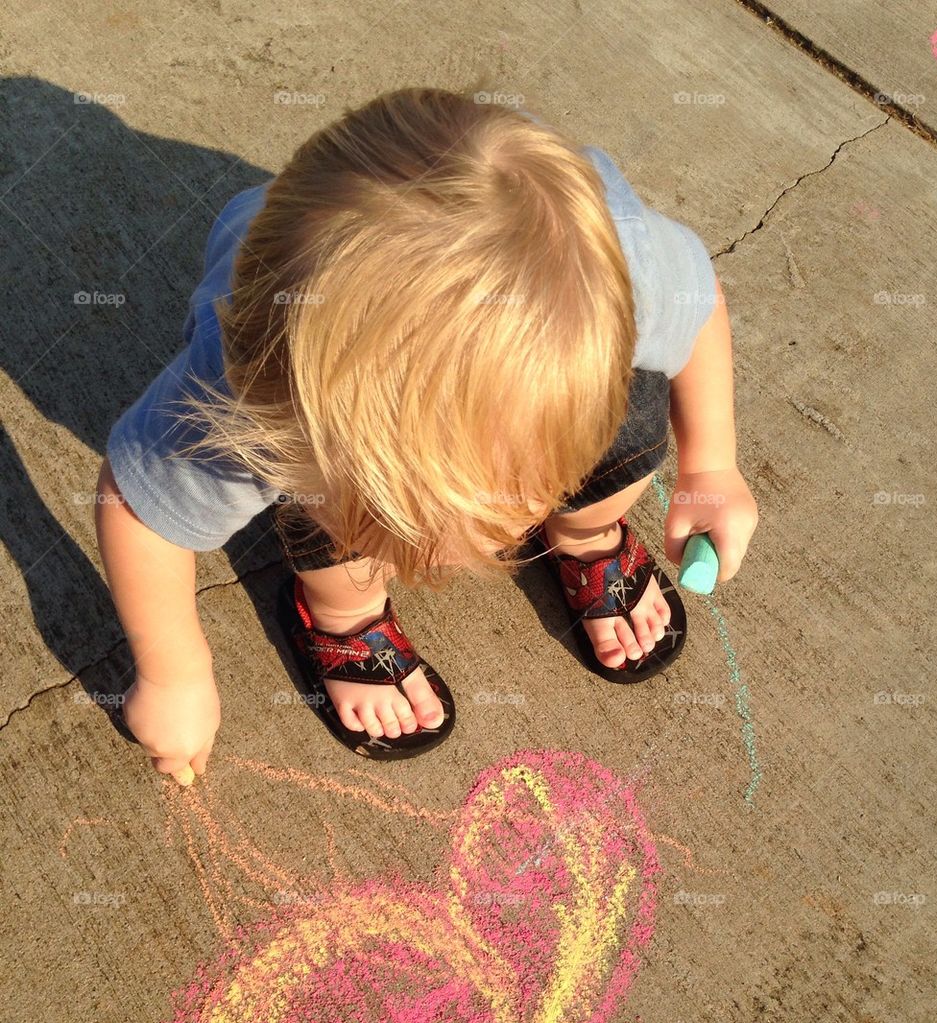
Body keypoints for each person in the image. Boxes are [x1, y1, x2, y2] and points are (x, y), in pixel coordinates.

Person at [96, 86, 758, 769]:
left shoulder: (612, 270)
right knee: (328, 524)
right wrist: (173, 670)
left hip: (516, 283)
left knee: (624, 421)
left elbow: (697, 299)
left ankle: (587, 529)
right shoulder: (256, 388)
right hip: (309, 341)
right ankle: (344, 613)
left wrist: (710, 466)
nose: (469, 559)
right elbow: (139, 504)